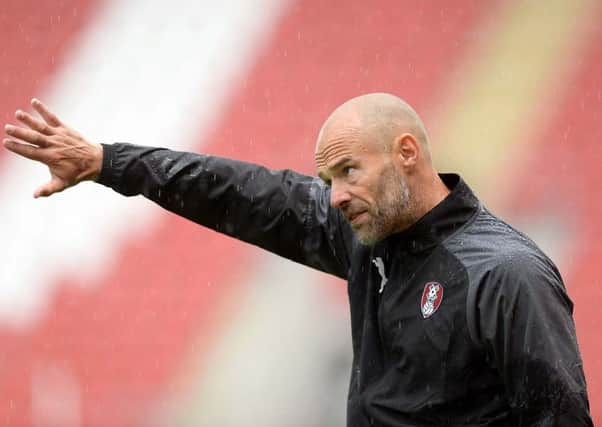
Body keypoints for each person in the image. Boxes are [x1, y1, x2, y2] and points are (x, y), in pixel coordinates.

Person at [3, 94, 593, 426]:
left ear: (407, 153)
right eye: (327, 179)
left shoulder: (504, 274)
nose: (334, 195)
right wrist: (109, 162)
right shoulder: (364, 235)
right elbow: (240, 192)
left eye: (348, 172)